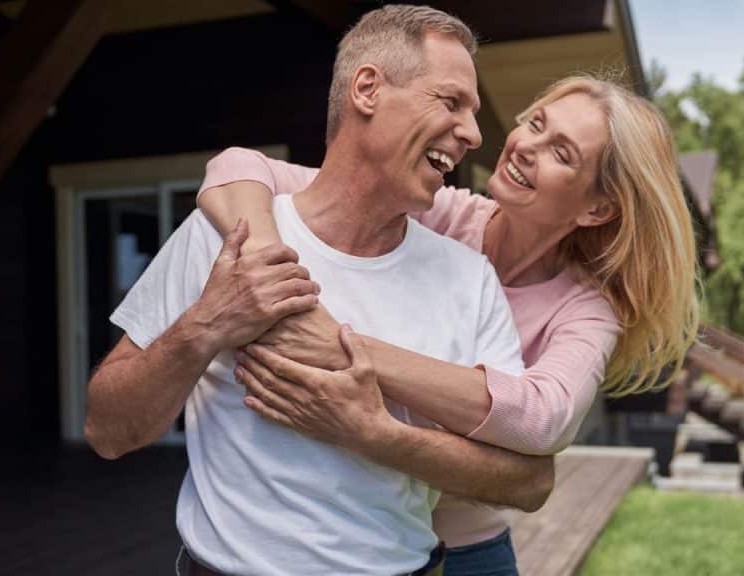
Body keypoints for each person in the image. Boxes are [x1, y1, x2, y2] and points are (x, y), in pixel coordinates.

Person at [85, 6, 556, 575]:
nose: (474, 134)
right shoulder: (224, 235)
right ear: (367, 89)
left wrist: (373, 434)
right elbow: (107, 431)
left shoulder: (470, 278)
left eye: (473, 113)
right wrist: (207, 325)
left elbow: (527, 481)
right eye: (451, 101)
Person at [197, 75, 700, 575]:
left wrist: (343, 347)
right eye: (535, 124)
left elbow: (544, 418)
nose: (526, 147)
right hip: (353, 537)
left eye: (561, 153)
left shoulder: (585, 309)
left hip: (470, 553)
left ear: (597, 209)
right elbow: (238, 167)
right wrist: (267, 267)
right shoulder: (436, 213)